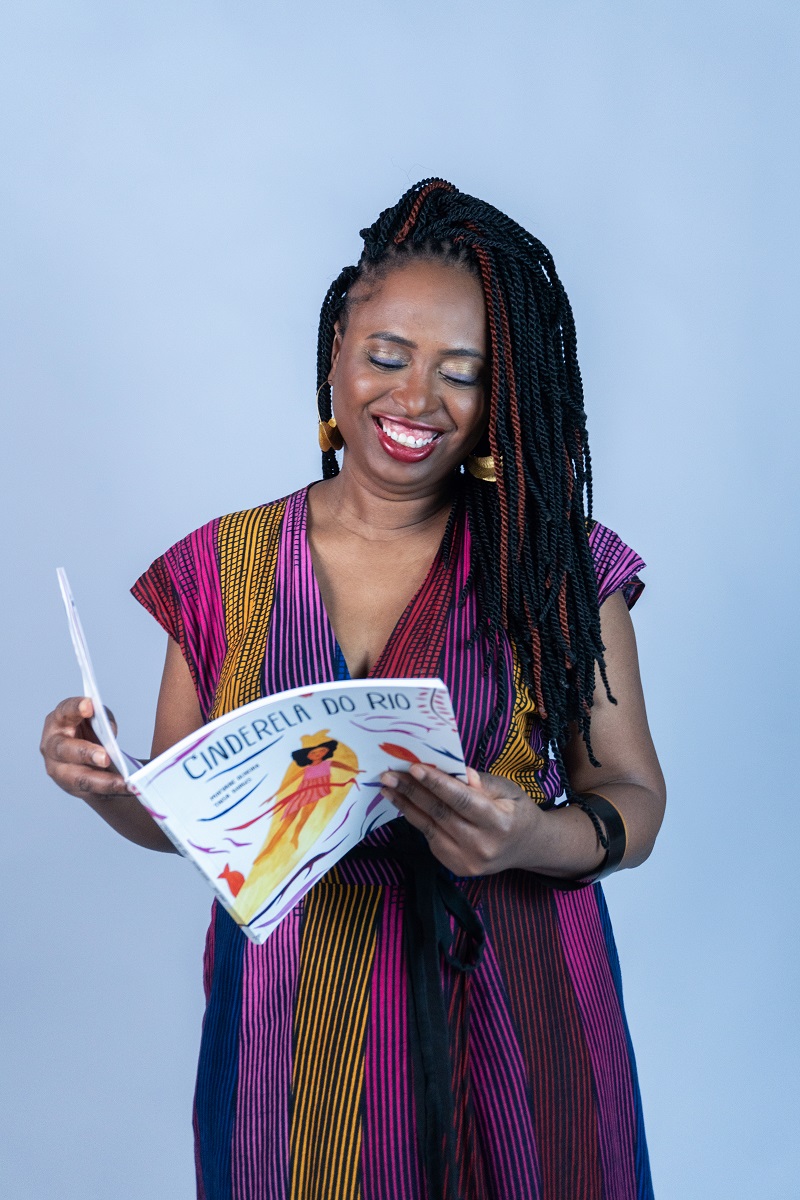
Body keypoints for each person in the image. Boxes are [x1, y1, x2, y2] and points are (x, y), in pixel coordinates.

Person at [40, 178, 666, 1200]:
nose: (415, 399)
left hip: (522, 1012)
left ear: (501, 393)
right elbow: (187, 823)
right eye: (386, 355)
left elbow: (634, 801)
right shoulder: (221, 568)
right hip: (297, 1036)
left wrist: (528, 837)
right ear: (336, 348)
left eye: (461, 373)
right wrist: (111, 784)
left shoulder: (553, 563)